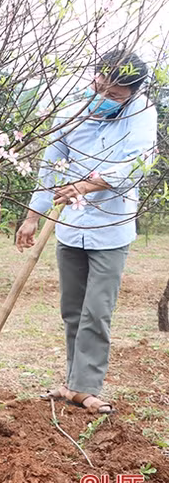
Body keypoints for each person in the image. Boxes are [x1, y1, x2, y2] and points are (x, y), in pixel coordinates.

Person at [16, 49, 157, 414]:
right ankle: (72, 384)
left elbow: (137, 165)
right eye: (101, 87)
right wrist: (32, 216)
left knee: (97, 311)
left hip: (111, 228)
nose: (105, 97)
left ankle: (86, 387)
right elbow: (50, 166)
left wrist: (84, 186)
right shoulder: (71, 109)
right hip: (70, 226)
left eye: (115, 95)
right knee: (72, 310)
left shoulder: (142, 113)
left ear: (132, 93)